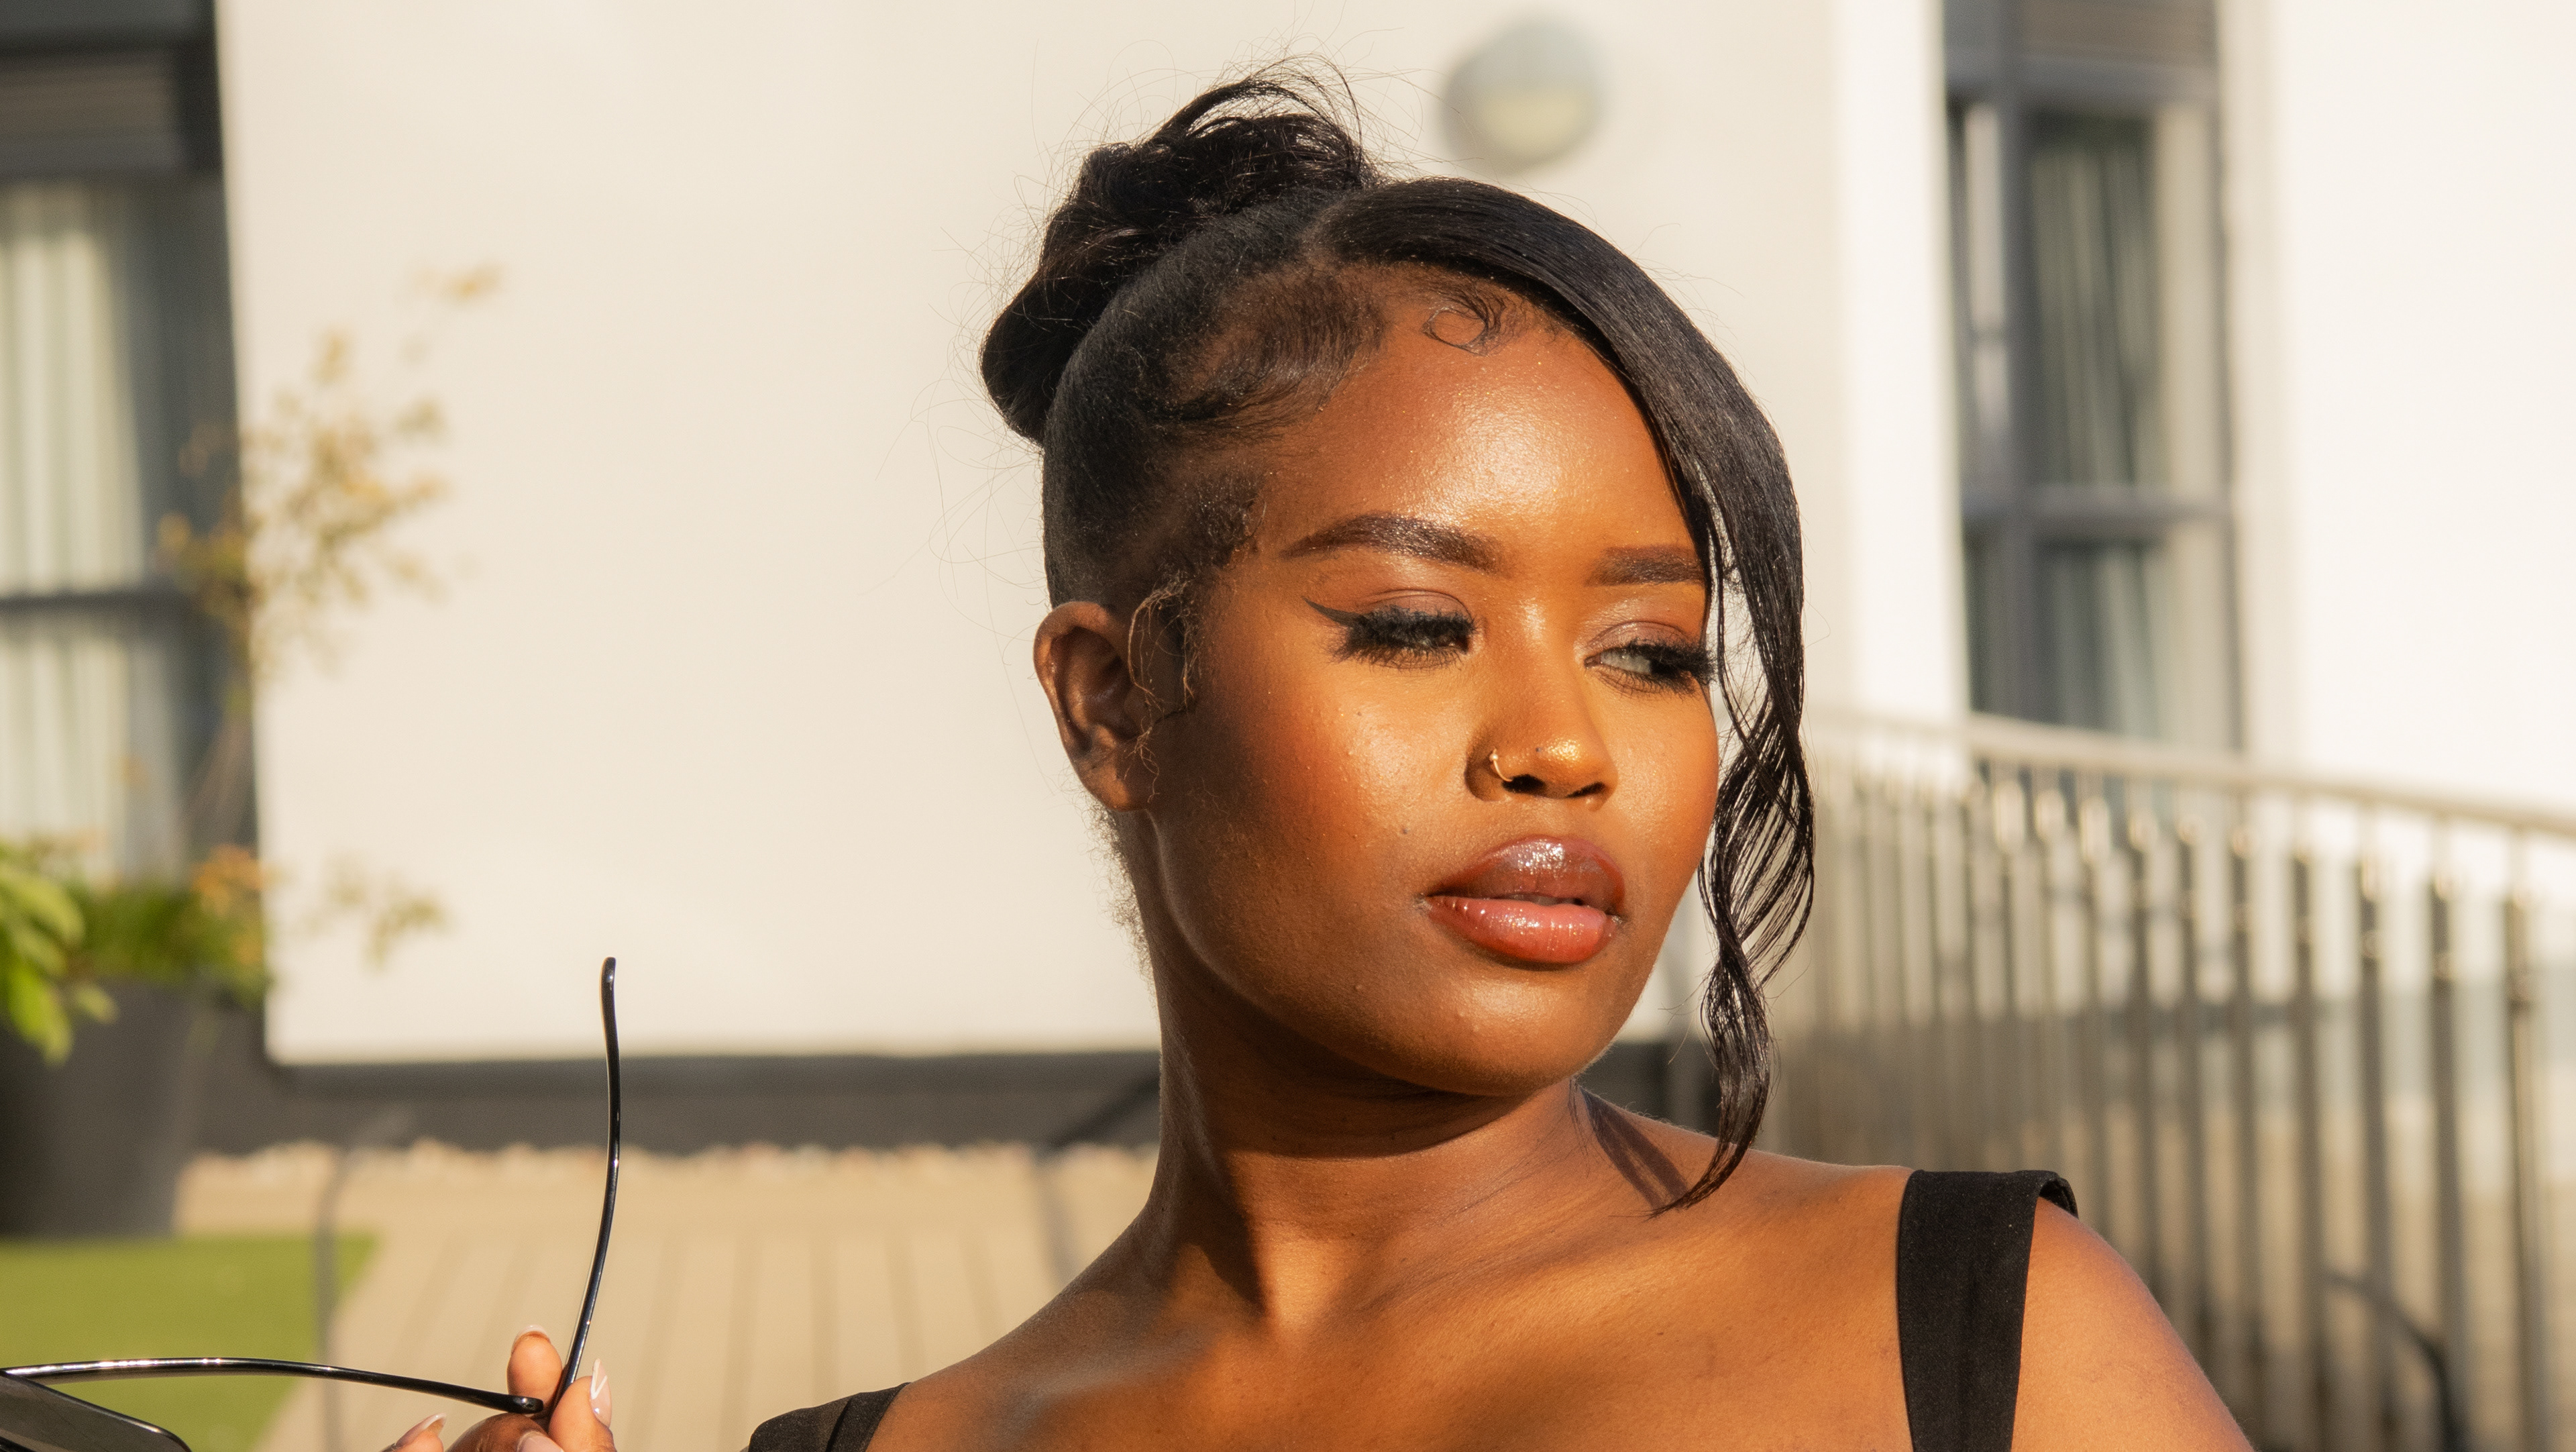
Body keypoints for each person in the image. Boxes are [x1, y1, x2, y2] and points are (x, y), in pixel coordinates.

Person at [428, 73, 2247, 1452]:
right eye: (1416, 626)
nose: (1562, 747)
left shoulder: (1979, 1339)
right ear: (1112, 703)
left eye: (1652, 652)